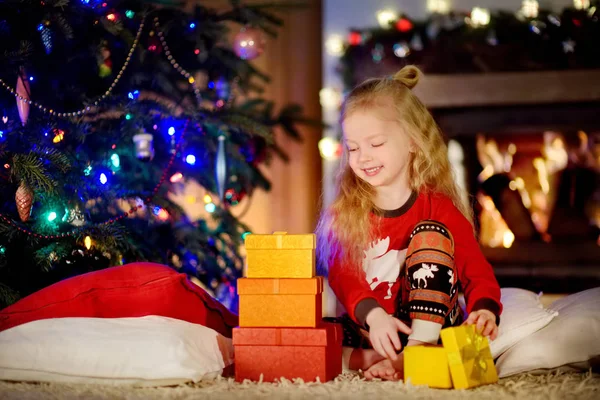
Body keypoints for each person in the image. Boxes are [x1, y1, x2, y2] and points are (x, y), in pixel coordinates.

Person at [316, 65, 502, 381]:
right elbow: (343, 274)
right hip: (373, 328)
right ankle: (382, 358)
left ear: (413, 141)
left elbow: (475, 269)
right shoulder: (344, 212)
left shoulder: (438, 207)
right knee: (307, 340)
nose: (362, 157)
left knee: (431, 234)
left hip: (432, 326)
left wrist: (484, 308)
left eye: (375, 144)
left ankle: (418, 350)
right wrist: (374, 317)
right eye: (353, 148)